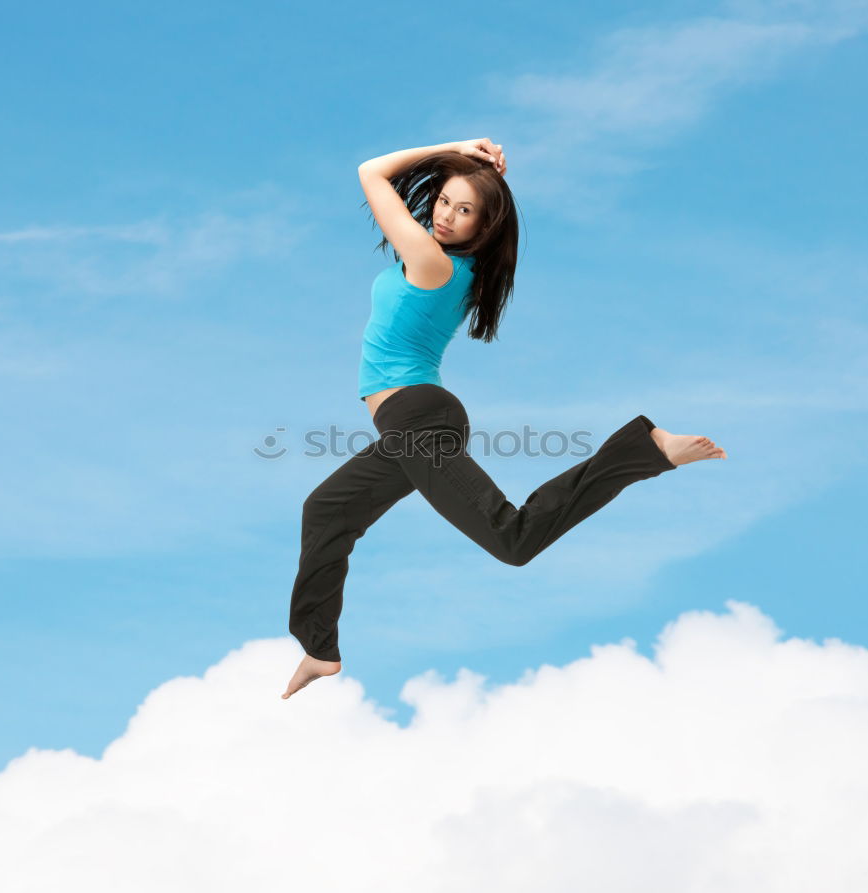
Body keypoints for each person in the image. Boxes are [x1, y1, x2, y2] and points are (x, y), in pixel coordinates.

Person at [281, 138, 727, 699]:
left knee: (512, 540)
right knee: (326, 509)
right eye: (443, 201)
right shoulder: (448, 264)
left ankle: (645, 450)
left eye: (463, 210)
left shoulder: (430, 263)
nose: (445, 215)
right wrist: (466, 159)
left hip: (420, 419)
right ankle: (318, 648)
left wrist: (453, 148)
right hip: (406, 423)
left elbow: (371, 171)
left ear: (484, 227)